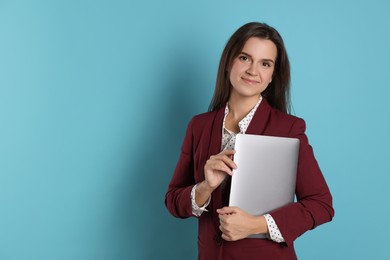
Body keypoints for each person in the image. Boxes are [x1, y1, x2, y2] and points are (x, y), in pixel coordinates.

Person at [165, 22, 334, 260]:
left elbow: (321, 204)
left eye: (265, 64)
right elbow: (173, 201)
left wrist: (257, 225)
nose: (253, 70)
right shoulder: (199, 126)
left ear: (272, 76)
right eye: (245, 58)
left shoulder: (288, 128)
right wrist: (206, 186)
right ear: (229, 62)